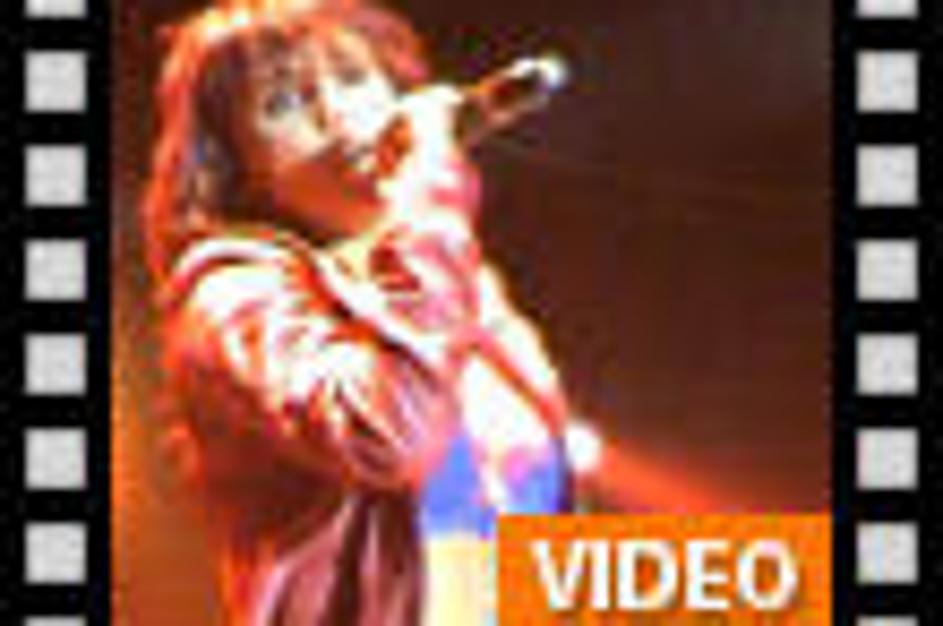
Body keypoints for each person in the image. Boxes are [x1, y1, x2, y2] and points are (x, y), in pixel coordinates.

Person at [141, 0, 571, 624]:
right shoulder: (230, 296)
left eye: (351, 78)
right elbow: (388, 435)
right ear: (238, 169)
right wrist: (428, 190)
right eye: (283, 104)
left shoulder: (452, 279)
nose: (338, 117)